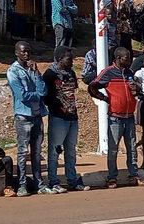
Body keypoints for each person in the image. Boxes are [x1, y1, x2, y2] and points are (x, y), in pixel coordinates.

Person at [89, 46, 144, 188]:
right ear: (119, 58)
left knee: (132, 148)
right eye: (127, 58)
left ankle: (134, 175)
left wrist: (136, 88)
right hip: (115, 117)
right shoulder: (108, 72)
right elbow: (92, 86)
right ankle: (112, 177)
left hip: (129, 116)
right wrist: (105, 98)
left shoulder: (129, 73)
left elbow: (138, 90)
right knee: (113, 148)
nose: (130, 60)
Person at [7, 41, 52, 196]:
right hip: (23, 116)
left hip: (37, 115)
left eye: (28, 52)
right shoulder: (13, 72)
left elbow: (44, 90)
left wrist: (38, 74)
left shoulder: (33, 69)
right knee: (22, 151)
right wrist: (38, 95)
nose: (26, 54)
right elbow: (22, 95)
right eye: (23, 52)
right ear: (17, 53)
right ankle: (22, 184)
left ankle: (39, 184)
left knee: (37, 151)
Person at [43, 46, 88, 193]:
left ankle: (72, 180)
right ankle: (53, 181)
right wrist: (57, 107)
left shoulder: (71, 73)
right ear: (59, 59)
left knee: (71, 151)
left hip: (72, 117)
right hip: (58, 118)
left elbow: (72, 92)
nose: (72, 62)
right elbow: (45, 96)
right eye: (69, 59)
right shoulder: (50, 74)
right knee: (55, 150)